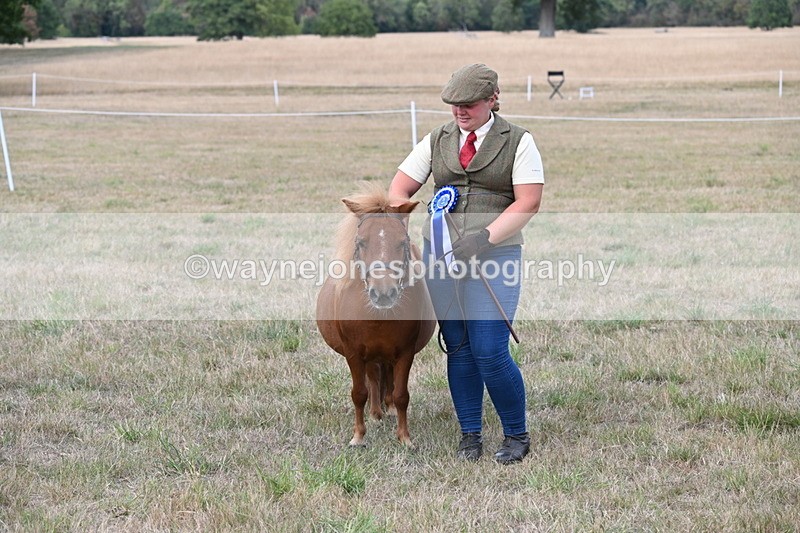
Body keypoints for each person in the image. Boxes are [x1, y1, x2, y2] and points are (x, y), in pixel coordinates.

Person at [389, 63, 544, 464]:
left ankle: (516, 434)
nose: (460, 111)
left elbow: (529, 201)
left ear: (493, 98)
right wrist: (398, 230)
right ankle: (469, 434)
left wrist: (485, 237)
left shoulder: (519, 142)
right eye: (454, 104)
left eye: (470, 104)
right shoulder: (436, 140)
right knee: (458, 347)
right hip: (441, 258)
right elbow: (400, 188)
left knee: (490, 350)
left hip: (495, 257)